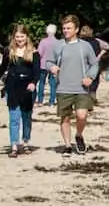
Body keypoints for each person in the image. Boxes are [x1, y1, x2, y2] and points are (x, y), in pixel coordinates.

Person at [43, 15, 100, 154]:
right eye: (64, 28)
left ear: (77, 29)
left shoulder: (85, 46)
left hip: (82, 88)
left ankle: (79, 135)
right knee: (65, 118)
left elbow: (94, 64)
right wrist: (52, 67)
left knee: (82, 115)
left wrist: (90, 77)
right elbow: (48, 61)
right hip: (63, 87)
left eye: (69, 28)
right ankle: (68, 146)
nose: (65, 31)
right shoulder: (59, 45)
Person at [0, 24, 41, 157]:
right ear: (14, 37)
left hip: (27, 88)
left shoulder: (34, 52)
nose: (19, 39)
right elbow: (2, 68)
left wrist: (34, 83)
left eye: (22, 36)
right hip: (12, 87)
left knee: (26, 117)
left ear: (27, 37)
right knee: (14, 118)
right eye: (17, 37)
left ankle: (25, 143)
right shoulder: (9, 51)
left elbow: (37, 72)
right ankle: (14, 145)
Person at [35, 24, 60, 106]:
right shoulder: (58, 42)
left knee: (41, 82)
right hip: (53, 65)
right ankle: (52, 101)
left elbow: (39, 53)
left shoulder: (43, 41)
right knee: (52, 83)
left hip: (43, 64)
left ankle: (40, 100)